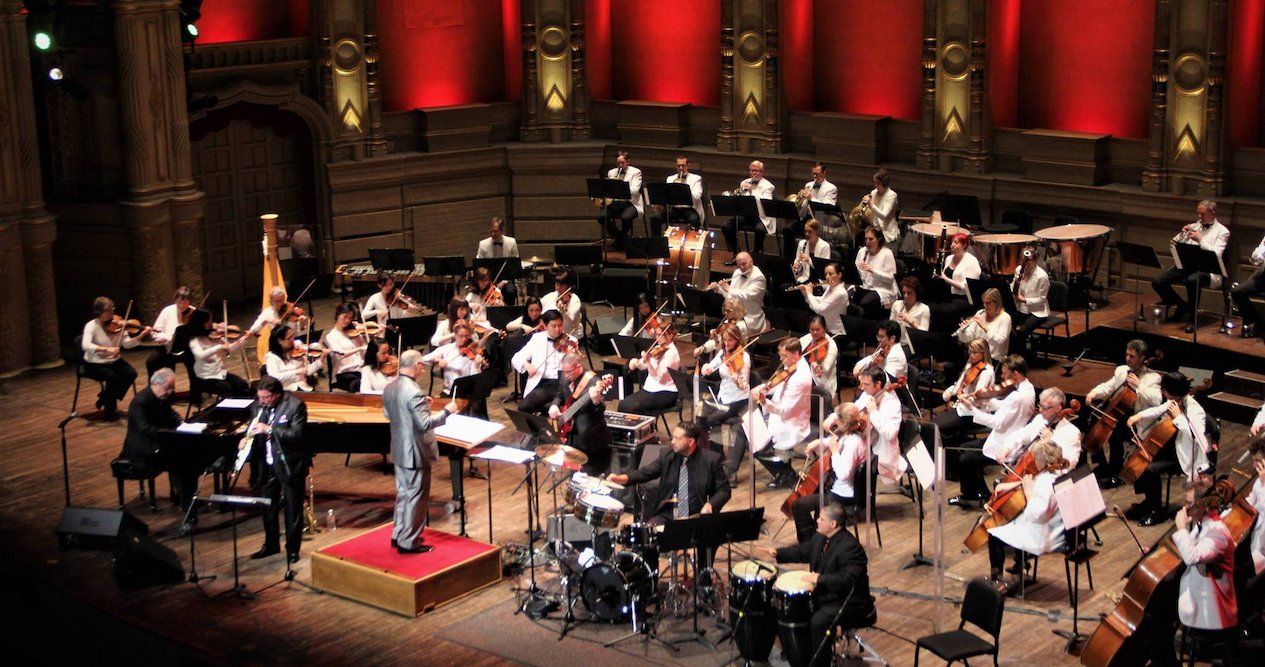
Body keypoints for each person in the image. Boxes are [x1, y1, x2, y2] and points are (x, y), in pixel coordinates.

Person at [762, 503, 876, 667]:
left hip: (850, 601)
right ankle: (798, 654)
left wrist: (819, 579)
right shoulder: (821, 537)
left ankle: (820, 663)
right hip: (827, 593)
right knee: (791, 607)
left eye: (821, 519)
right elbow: (804, 551)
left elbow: (847, 580)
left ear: (833, 524)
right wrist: (778, 553)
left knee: (818, 621)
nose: (817, 521)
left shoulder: (851, 548)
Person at [383, 350, 460, 554]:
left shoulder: (390, 387)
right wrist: (447, 411)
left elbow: (388, 413)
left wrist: (421, 405)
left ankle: (398, 533)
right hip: (415, 452)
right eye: (422, 366)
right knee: (416, 497)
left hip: (399, 448)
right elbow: (425, 423)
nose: (423, 370)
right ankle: (409, 541)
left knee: (403, 494)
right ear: (416, 365)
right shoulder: (414, 392)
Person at [1125, 372, 1212, 526]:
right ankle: (1149, 502)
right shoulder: (1176, 400)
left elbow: (1200, 441)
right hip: (1175, 448)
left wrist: (1179, 417)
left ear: (1171, 391)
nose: (1162, 392)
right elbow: (1159, 409)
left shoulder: (1195, 409)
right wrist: (1139, 416)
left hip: (1187, 457)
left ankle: (1156, 511)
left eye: (1163, 389)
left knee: (1150, 469)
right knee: (1141, 458)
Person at [983, 439, 1068, 593]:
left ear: (1042, 461)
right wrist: (1012, 485)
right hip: (1059, 530)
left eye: (1035, 458)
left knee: (993, 534)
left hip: (1044, 537)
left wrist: (1028, 493)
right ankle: (1020, 564)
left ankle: (997, 581)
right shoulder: (1061, 474)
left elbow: (1036, 515)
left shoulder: (1044, 484)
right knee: (1016, 520)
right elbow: (1033, 483)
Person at [240, 375, 309, 563]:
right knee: (267, 506)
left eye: (266, 397)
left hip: (289, 464)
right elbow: (252, 426)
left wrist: (269, 429)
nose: (262, 401)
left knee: (292, 509)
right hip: (267, 464)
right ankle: (270, 545)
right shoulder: (258, 405)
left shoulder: (295, 406)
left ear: (277, 394)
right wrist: (245, 437)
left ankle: (292, 549)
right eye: (260, 397)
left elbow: (297, 435)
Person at [952, 355, 1036, 507]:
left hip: (1004, 444)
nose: (1002, 376)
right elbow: (1005, 406)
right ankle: (979, 493)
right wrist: (985, 401)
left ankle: (976, 495)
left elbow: (996, 423)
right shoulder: (1028, 389)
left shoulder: (1018, 396)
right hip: (1006, 436)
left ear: (1016, 373)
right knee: (963, 449)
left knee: (965, 458)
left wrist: (972, 409)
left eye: (1005, 373)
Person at [609, 421, 730, 523]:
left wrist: (711, 504)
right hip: (669, 514)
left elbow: (724, 490)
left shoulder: (710, 460)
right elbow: (646, 472)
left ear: (690, 442)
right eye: (673, 437)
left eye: (677, 439)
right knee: (651, 532)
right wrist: (622, 478)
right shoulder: (668, 455)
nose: (672, 441)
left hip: (697, 516)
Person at [731, 337, 811, 486]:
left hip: (791, 422)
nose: (781, 359)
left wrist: (764, 401)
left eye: (784, 356)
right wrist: (761, 389)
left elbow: (785, 409)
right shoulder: (793, 365)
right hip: (780, 415)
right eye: (780, 355)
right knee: (745, 428)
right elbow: (778, 385)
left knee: (754, 442)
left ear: (796, 354)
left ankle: (787, 475)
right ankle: (783, 474)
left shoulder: (800, 378)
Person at [1085, 339, 1162, 489]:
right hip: (1118, 411)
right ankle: (1102, 465)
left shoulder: (1153, 378)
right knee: (1092, 423)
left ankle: (1115, 474)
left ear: (1142, 358)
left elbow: (1157, 400)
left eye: (1132, 356)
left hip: (1136, 418)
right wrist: (1093, 393)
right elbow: (1109, 387)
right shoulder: (1122, 370)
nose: (1127, 359)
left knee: (1116, 437)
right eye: (1127, 354)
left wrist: (1139, 385)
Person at [789, 403, 869, 542]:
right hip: (840, 489)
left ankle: (809, 544)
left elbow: (844, 475)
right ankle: (816, 539)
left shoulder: (853, 444)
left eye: (837, 418)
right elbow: (837, 441)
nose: (835, 421)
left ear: (844, 423)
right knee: (812, 494)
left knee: (798, 505)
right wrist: (818, 442)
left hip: (843, 495)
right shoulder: (850, 436)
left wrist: (834, 451)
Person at [1152, 199, 1230, 333]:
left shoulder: (1222, 231)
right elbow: (1174, 244)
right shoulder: (1194, 226)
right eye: (1198, 213)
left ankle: (1193, 320)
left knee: (1192, 280)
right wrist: (1181, 235)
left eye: (1202, 214)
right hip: (1189, 266)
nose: (1199, 216)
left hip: (1209, 270)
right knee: (1158, 282)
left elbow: (1216, 253)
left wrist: (1200, 239)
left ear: (1212, 212)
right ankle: (1182, 306)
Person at [119, 369, 184, 504]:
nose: (170, 391)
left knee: (181, 455)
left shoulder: (161, 397)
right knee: (177, 458)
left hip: (155, 442)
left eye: (172, 388)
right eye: (168, 387)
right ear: (156, 384)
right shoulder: (140, 402)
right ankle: (183, 498)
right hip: (141, 449)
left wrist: (182, 423)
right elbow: (145, 429)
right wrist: (168, 434)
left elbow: (170, 414)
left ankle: (180, 494)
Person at [82, 297, 147, 420]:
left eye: (112, 309)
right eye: (108, 310)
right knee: (113, 377)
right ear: (99, 312)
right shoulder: (91, 326)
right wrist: (107, 349)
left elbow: (126, 344)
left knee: (131, 373)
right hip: (95, 363)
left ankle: (104, 398)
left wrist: (140, 336)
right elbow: (85, 345)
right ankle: (110, 412)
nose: (112, 312)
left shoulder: (118, 324)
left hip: (113, 361)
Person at [550, 353, 613, 475]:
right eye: (564, 372)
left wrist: (596, 401)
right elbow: (559, 395)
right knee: (573, 476)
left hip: (591, 438)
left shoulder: (594, 382)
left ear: (578, 367)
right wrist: (554, 405)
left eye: (569, 372)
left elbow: (600, 410)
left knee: (591, 477)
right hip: (571, 436)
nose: (566, 375)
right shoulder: (565, 377)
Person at [993, 387, 1082, 472]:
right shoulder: (1040, 419)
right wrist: (1007, 448)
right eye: (1040, 406)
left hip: (1047, 476)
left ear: (1058, 408)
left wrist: (1052, 440)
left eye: (1045, 408)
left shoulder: (1072, 432)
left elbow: (1070, 463)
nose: (1040, 410)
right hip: (1026, 468)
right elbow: (1023, 435)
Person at [697, 323, 751, 454]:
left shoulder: (744, 357)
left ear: (737, 339)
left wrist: (735, 376)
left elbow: (743, 384)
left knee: (710, 420)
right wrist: (707, 369)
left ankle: (714, 455)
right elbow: (708, 366)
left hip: (738, 400)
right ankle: (715, 454)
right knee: (701, 416)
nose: (726, 343)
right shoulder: (723, 353)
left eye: (730, 340)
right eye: (725, 340)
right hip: (723, 396)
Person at [933, 338, 994, 452]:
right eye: (970, 352)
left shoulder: (986, 372)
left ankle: (948, 452)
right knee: (934, 426)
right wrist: (951, 391)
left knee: (935, 427)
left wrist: (962, 398)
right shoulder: (971, 364)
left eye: (974, 353)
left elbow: (976, 397)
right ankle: (945, 451)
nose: (971, 355)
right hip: (962, 409)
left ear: (983, 353)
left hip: (975, 414)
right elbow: (961, 384)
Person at [511, 310, 577, 414]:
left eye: (560, 325)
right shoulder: (537, 338)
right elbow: (516, 358)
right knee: (523, 407)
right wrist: (526, 364)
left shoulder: (571, 340)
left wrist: (572, 355)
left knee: (547, 407)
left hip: (563, 383)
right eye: (554, 326)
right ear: (545, 326)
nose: (558, 329)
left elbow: (577, 367)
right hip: (542, 383)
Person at [187, 308, 251, 398]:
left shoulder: (214, 336)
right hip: (206, 377)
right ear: (200, 323)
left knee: (242, 385)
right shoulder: (194, 340)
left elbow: (229, 348)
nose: (211, 323)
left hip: (221, 373)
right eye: (208, 321)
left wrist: (245, 338)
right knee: (227, 389)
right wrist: (219, 347)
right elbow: (200, 355)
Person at [854, 366, 904, 482]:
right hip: (867, 444)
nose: (862, 388)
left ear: (878, 384)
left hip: (881, 452)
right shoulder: (868, 394)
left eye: (866, 384)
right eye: (862, 384)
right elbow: (855, 407)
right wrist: (835, 416)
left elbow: (890, 434)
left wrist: (873, 412)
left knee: (856, 465)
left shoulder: (893, 404)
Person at [618, 325, 680, 414]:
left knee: (631, 408)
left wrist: (648, 362)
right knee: (623, 404)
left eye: (661, 335)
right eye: (657, 334)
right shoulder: (658, 348)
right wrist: (636, 363)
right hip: (650, 388)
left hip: (666, 391)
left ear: (670, 336)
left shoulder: (672, 354)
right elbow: (643, 365)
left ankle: (644, 423)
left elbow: (659, 377)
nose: (657, 338)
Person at [722, 160, 776, 255]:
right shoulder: (744, 182)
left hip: (761, 217)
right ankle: (737, 253)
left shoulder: (768, 186)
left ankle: (756, 254)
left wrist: (752, 192)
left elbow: (765, 203)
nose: (754, 173)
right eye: (752, 170)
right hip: (746, 215)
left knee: (760, 229)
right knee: (726, 226)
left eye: (757, 171)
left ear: (762, 172)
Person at [1241, 438, 1265, 637]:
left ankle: (1251, 620)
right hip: (1257, 540)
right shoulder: (1260, 480)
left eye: (1258, 460)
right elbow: (1251, 503)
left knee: (1246, 583)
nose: (1254, 465)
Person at [422, 321, 486, 395]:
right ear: (455, 335)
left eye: (466, 336)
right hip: (449, 391)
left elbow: (474, 379)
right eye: (461, 336)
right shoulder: (447, 348)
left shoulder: (472, 352)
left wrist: (476, 365)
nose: (464, 339)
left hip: (467, 392)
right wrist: (437, 360)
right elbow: (423, 359)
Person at [709, 251, 768, 333]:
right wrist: (719, 289)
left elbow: (746, 295)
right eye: (739, 265)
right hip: (735, 315)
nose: (742, 267)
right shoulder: (738, 272)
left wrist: (728, 289)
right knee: (720, 332)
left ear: (751, 261)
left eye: (744, 264)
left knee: (732, 331)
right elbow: (731, 298)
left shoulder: (759, 277)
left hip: (750, 317)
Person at [934, 232, 982, 326]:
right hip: (947, 295)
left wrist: (945, 278)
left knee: (942, 310)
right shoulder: (949, 258)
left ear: (964, 245)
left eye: (956, 243)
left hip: (964, 298)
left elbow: (966, 287)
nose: (952, 245)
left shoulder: (971, 261)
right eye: (952, 242)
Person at [598, 151, 643, 248]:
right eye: (618, 163)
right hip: (616, 203)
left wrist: (620, 188)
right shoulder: (611, 172)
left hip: (631, 203)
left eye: (623, 163)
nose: (620, 165)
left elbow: (635, 191)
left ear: (628, 162)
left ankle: (619, 241)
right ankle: (622, 238)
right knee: (601, 217)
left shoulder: (636, 172)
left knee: (626, 217)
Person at [649, 155, 705, 234]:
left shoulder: (696, 178)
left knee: (694, 220)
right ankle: (657, 241)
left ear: (688, 166)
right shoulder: (670, 179)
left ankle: (692, 241)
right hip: (674, 209)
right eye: (678, 166)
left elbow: (697, 196)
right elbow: (667, 196)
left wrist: (684, 189)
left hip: (690, 209)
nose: (681, 168)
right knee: (655, 218)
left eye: (683, 165)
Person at [954, 288, 1011, 365]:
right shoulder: (980, 313)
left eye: (988, 303)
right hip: (976, 357)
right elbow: (968, 338)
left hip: (993, 360)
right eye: (984, 302)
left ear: (997, 303)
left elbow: (1000, 341)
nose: (985, 306)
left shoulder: (1005, 318)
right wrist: (963, 331)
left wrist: (985, 328)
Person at [1011, 248, 1050, 359]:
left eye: (1028, 260)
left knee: (1023, 330)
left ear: (1035, 260)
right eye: (1023, 260)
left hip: (1037, 311)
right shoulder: (1019, 269)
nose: (1025, 263)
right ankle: (1011, 354)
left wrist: (1025, 300)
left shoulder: (1042, 276)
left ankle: (1022, 358)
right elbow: (1013, 285)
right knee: (1007, 323)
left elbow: (1041, 299)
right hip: (1020, 308)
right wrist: (1012, 290)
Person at [853, 226, 898, 319]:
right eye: (866, 239)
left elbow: (890, 279)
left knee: (865, 303)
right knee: (849, 298)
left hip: (882, 289)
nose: (867, 242)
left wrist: (872, 271)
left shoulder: (887, 253)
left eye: (871, 239)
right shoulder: (862, 251)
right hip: (865, 286)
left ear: (879, 239)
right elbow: (856, 270)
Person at [264, 323, 324, 392]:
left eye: (293, 336)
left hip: (304, 389)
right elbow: (274, 377)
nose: (293, 340)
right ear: (280, 341)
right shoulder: (272, 357)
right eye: (289, 338)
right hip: (286, 392)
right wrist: (297, 372)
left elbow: (308, 372)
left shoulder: (298, 349)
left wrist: (321, 359)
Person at [145, 286, 191, 377]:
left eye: (185, 302)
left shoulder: (193, 312)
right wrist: (167, 338)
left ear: (189, 302)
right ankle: (157, 386)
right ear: (175, 301)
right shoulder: (167, 311)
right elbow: (154, 332)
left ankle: (196, 385)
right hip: (168, 348)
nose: (182, 305)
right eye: (179, 302)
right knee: (151, 361)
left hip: (187, 349)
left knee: (196, 364)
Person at [322, 303, 368, 392]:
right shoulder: (331, 336)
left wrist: (362, 341)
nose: (347, 321)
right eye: (345, 317)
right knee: (358, 383)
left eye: (350, 318)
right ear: (337, 315)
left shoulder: (354, 331)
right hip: (344, 373)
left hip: (361, 368)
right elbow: (340, 354)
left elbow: (364, 352)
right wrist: (359, 349)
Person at [475, 217, 520, 304]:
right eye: (491, 231)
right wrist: (488, 282)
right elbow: (479, 266)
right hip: (487, 279)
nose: (492, 234)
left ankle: (508, 311)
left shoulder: (511, 242)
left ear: (502, 230)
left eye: (495, 231)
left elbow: (514, 266)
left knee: (510, 291)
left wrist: (504, 282)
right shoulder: (483, 244)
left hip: (506, 279)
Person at [797, 262, 848, 337]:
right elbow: (821, 301)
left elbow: (819, 309)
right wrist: (805, 293)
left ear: (839, 275)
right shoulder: (830, 287)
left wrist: (809, 294)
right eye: (826, 274)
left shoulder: (840, 293)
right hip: (825, 328)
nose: (827, 277)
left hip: (835, 332)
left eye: (830, 274)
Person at [1233, 229, 1265, 338]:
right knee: (1237, 291)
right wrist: (1263, 247)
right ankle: (1258, 322)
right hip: (1262, 278)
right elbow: (1256, 259)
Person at [800, 315, 839, 402]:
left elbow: (826, 367)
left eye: (818, 330)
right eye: (812, 329)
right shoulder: (806, 338)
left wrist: (817, 367)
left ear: (824, 329)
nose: (814, 332)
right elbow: (796, 351)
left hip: (820, 381)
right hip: (805, 377)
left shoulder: (832, 345)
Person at [540, 268, 583, 338]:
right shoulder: (552, 295)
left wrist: (563, 311)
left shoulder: (575, 300)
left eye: (561, 285)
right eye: (557, 285)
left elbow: (571, 322)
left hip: (569, 335)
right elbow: (539, 306)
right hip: (551, 333)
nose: (558, 288)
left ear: (568, 286)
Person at [889, 277, 930, 348]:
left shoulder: (924, 309)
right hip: (896, 343)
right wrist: (895, 322)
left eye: (909, 293)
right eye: (904, 292)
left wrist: (910, 322)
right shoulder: (897, 304)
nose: (905, 296)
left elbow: (924, 333)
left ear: (916, 293)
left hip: (912, 346)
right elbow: (889, 327)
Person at [863, 169, 900, 245]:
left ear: (884, 183)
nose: (875, 185)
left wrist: (870, 203)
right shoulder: (874, 193)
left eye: (878, 183)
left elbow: (883, 216)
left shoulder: (892, 195)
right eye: (874, 182)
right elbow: (872, 212)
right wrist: (866, 206)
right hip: (875, 232)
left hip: (887, 234)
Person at [791, 220, 833, 284]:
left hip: (818, 281)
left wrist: (809, 260)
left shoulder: (825, 246)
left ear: (817, 232)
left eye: (810, 231)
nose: (807, 234)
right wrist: (797, 267)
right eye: (805, 231)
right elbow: (797, 262)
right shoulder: (802, 244)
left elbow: (824, 269)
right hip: (804, 278)